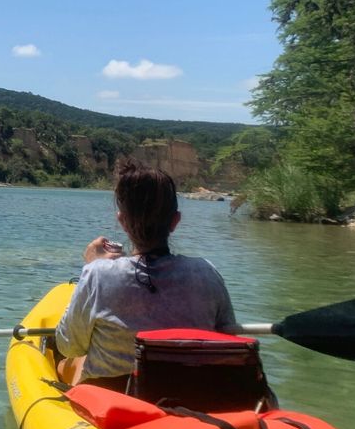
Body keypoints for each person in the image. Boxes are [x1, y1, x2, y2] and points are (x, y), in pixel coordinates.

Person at [54, 157, 237, 390]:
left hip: (114, 405)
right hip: (188, 398)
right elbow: (226, 339)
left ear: (122, 221)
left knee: (70, 363)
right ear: (175, 221)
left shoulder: (97, 274)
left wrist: (89, 267)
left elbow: (68, 346)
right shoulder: (207, 272)